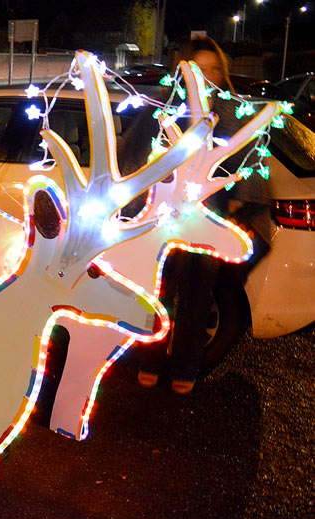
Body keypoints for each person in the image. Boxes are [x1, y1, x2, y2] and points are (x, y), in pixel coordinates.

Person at [125, 37, 272, 394]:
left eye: (213, 69)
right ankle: (149, 360)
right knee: (158, 291)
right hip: (165, 217)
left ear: (222, 73)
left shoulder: (230, 113)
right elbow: (133, 152)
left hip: (211, 217)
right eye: (199, 69)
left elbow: (251, 161)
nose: (206, 76)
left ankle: (185, 368)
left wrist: (240, 202)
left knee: (197, 295)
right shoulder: (165, 108)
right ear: (184, 69)